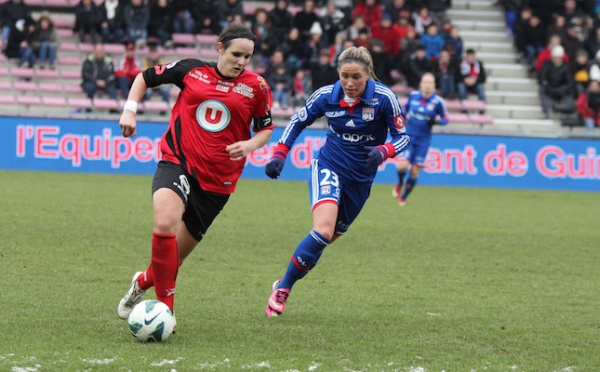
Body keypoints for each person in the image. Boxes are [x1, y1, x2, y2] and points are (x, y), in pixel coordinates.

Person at [116, 23, 274, 323]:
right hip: (178, 160)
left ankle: (141, 283)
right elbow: (143, 78)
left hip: (218, 181)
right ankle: (166, 312)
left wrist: (251, 144)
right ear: (220, 48)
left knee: (173, 259)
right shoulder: (191, 70)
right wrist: (130, 110)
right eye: (236, 54)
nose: (241, 62)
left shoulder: (257, 87)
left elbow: (265, 128)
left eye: (247, 57)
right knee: (164, 224)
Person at [263, 46, 410, 317]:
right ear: (338, 74)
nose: (350, 83)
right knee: (323, 230)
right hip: (329, 166)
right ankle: (283, 289)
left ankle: (284, 280)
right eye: (345, 76)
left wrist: (384, 150)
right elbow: (297, 121)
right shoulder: (325, 96)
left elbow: (403, 136)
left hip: (361, 180)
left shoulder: (384, 98)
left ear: (368, 74)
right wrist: (280, 153)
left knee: (325, 240)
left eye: (357, 77)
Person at [393, 73, 449, 205]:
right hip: (409, 137)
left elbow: (446, 119)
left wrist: (436, 121)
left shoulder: (438, 102)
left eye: (430, 82)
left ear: (434, 85)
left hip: (423, 141)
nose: (427, 85)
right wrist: (403, 115)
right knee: (402, 166)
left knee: (414, 171)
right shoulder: (413, 96)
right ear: (421, 84)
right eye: (425, 82)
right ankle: (400, 183)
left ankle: (404, 197)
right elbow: (405, 109)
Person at [538, 45, 573, 119]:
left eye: (557, 57)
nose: (555, 59)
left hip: (562, 87)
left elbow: (569, 80)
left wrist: (565, 88)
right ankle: (545, 112)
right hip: (549, 86)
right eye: (554, 57)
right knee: (542, 89)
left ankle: (565, 111)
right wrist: (546, 85)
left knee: (569, 91)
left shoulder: (566, 66)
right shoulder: (547, 64)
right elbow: (542, 77)